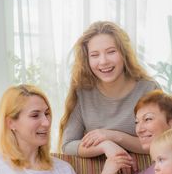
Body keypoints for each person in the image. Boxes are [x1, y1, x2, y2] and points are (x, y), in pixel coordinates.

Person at [58, 20, 159, 159]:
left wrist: (115, 137)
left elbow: (161, 143)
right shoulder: (83, 92)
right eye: (94, 55)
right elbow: (68, 145)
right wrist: (105, 145)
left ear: (124, 54)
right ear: (87, 60)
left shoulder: (148, 89)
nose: (103, 61)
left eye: (111, 52)